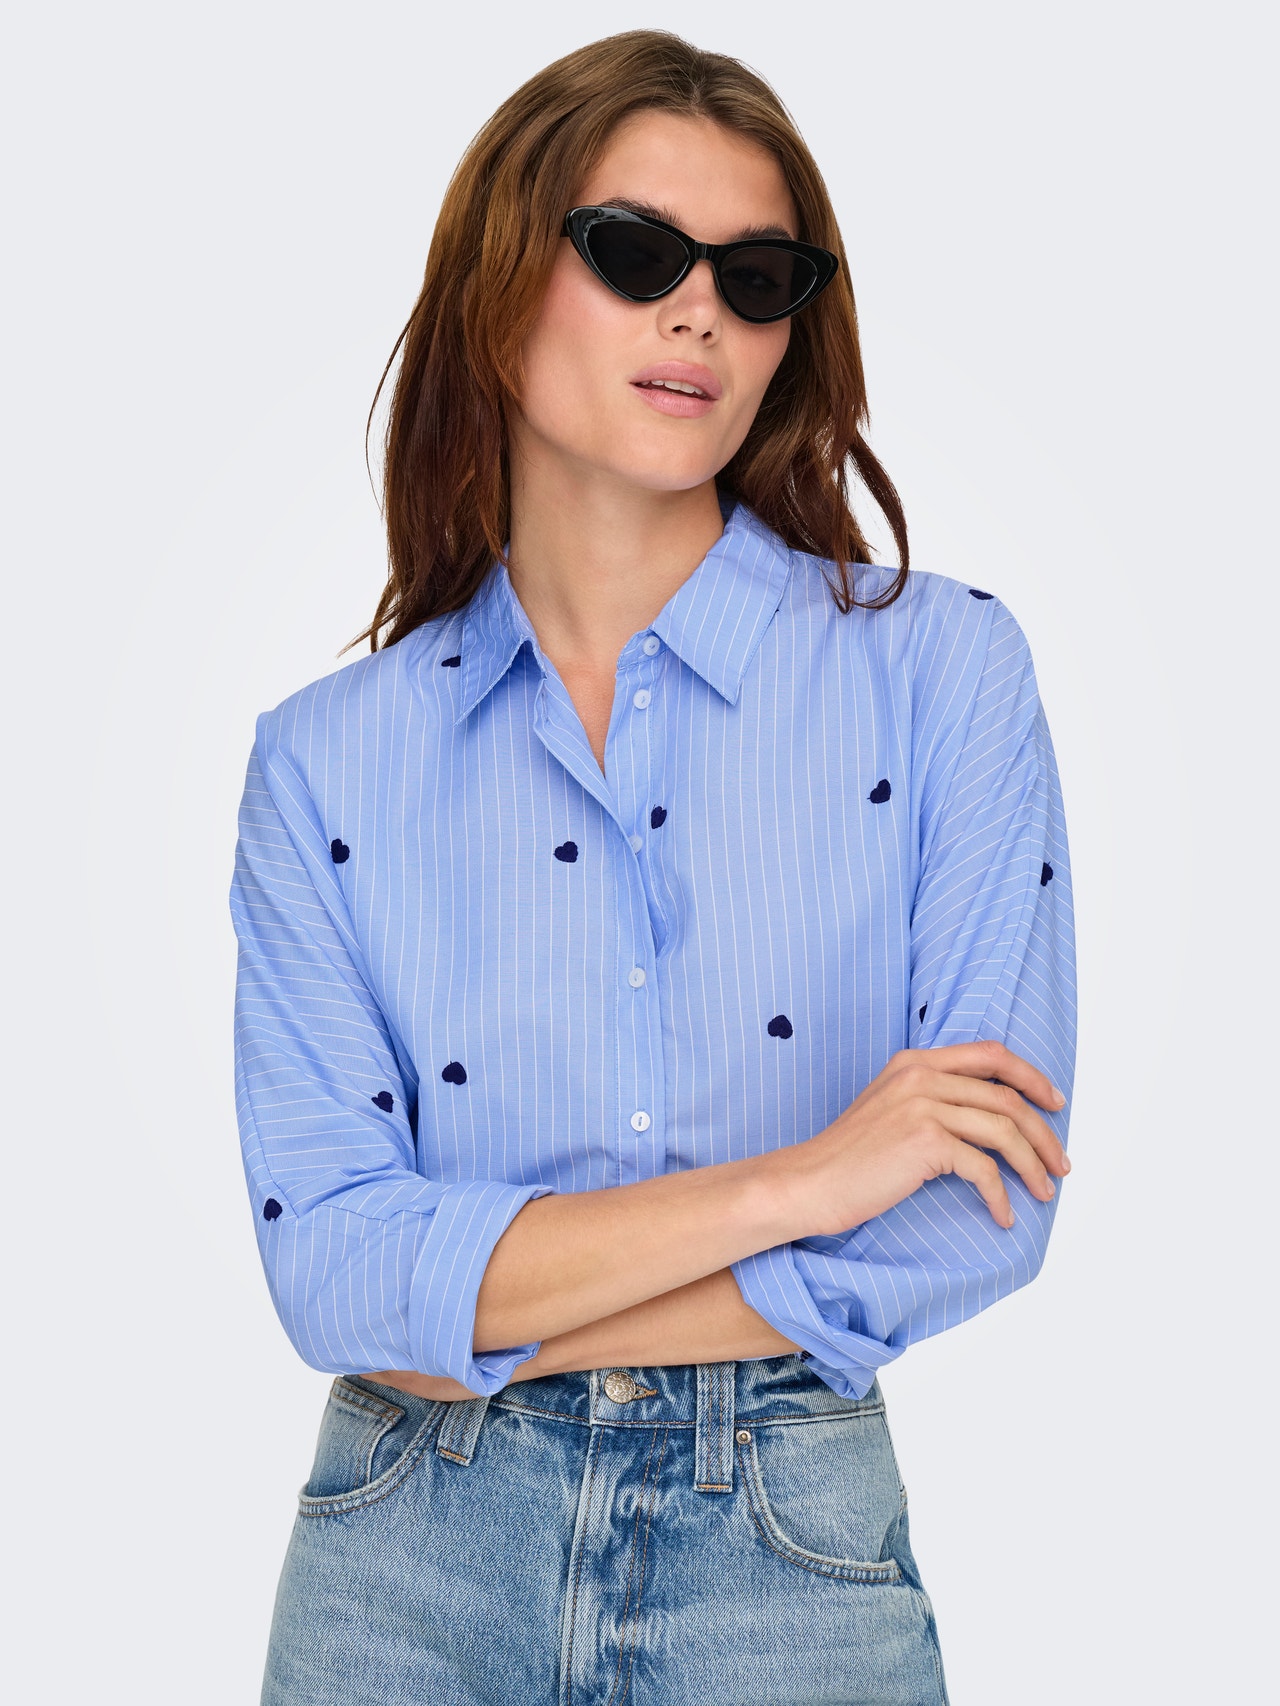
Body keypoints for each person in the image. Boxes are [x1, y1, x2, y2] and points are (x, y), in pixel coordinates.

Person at [229, 28, 1076, 1706]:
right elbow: (330, 1271)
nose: (700, 312)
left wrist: (474, 1310)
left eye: (756, 278)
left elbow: (974, 1204)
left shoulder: (944, 674)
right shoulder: (324, 762)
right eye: (636, 253)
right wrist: (802, 1181)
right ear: (498, 286)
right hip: (405, 1563)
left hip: (787, 1553)